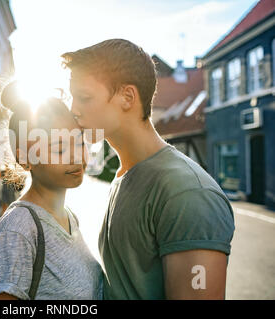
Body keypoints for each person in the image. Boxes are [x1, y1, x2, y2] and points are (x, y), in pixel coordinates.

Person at [62, 39, 235, 300]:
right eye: (72, 98)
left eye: (84, 97)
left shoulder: (186, 192)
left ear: (127, 97)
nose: (73, 110)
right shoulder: (125, 175)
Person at [0, 81, 103, 300]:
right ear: (25, 158)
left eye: (79, 142)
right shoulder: (18, 230)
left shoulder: (69, 218)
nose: (76, 156)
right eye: (59, 147)